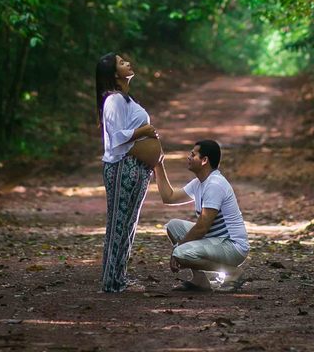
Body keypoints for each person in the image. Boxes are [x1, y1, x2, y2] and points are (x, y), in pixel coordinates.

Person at [96, 52, 163, 293]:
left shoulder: (126, 100)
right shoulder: (113, 101)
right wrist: (144, 131)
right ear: (115, 74)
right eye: (122, 63)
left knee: (129, 224)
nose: (128, 63)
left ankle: (119, 278)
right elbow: (115, 138)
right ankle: (111, 281)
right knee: (118, 223)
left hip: (135, 168)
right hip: (122, 167)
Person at [154, 139, 249, 291]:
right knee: (173, 226)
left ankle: (233, 272)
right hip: (217, 240)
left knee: (181, 253)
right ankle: (199, 281)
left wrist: (177, 249)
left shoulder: (214, 185)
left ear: (204, 160)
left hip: (233, 246)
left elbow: (202, 228)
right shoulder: (200, 183)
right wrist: (158, 165)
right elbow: (169, 197)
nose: (189, 157)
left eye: (193, 154)